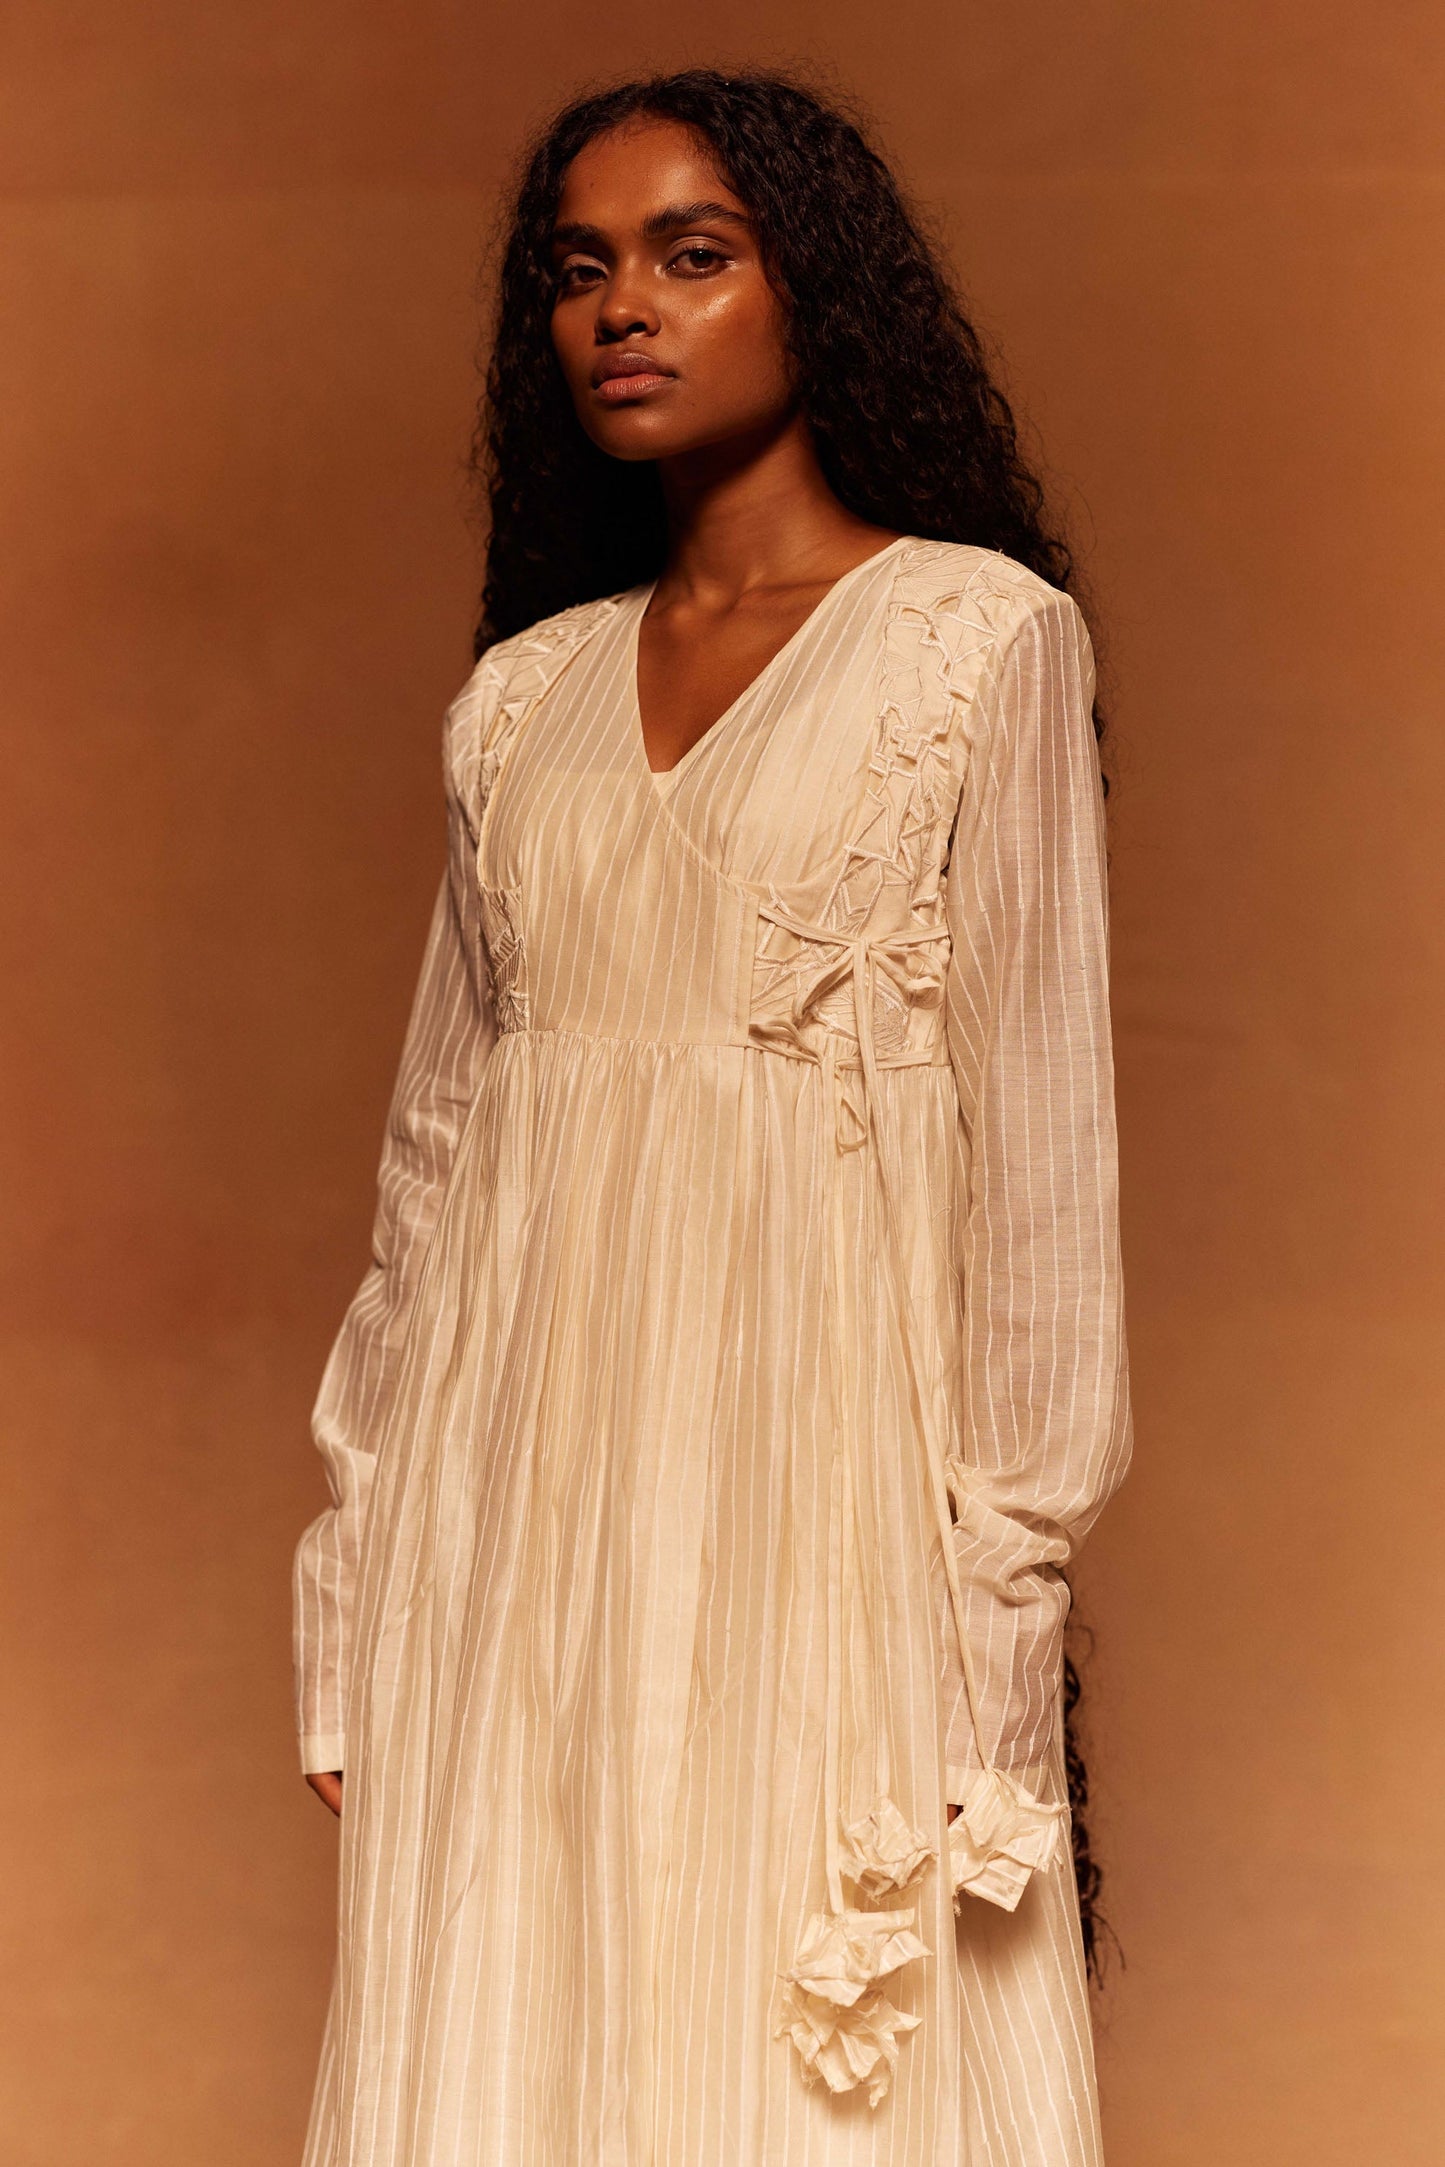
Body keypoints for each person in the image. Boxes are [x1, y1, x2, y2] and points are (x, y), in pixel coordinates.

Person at [292, 66, 1133, 2167]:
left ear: (813, 288)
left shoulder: (977, 642)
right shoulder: (520, 700)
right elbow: (434, 1164)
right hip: (512, 1509)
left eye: (691, 255)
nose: (622, 310)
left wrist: (998, 1622)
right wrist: (355, 1585)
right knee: (522, 2026)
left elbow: (1041, 1166)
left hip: (820, 1501)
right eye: (580, 269)